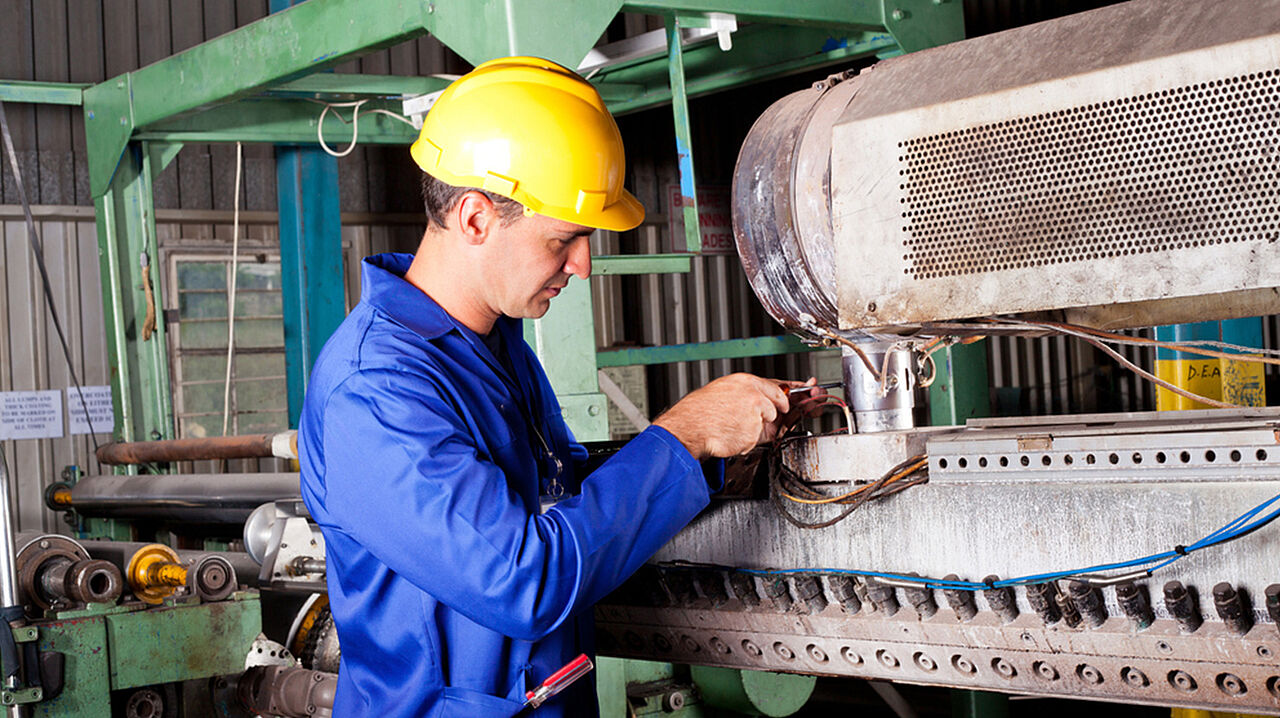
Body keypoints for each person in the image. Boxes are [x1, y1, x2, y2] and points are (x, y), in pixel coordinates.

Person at [298, 56, 812, 717]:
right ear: (476, 219)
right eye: (565, 239)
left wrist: (713, 462)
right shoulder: (375, 390)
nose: (583, 264)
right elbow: (520, 577)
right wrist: (682, 436)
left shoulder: (493, 347)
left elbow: (562, 494)